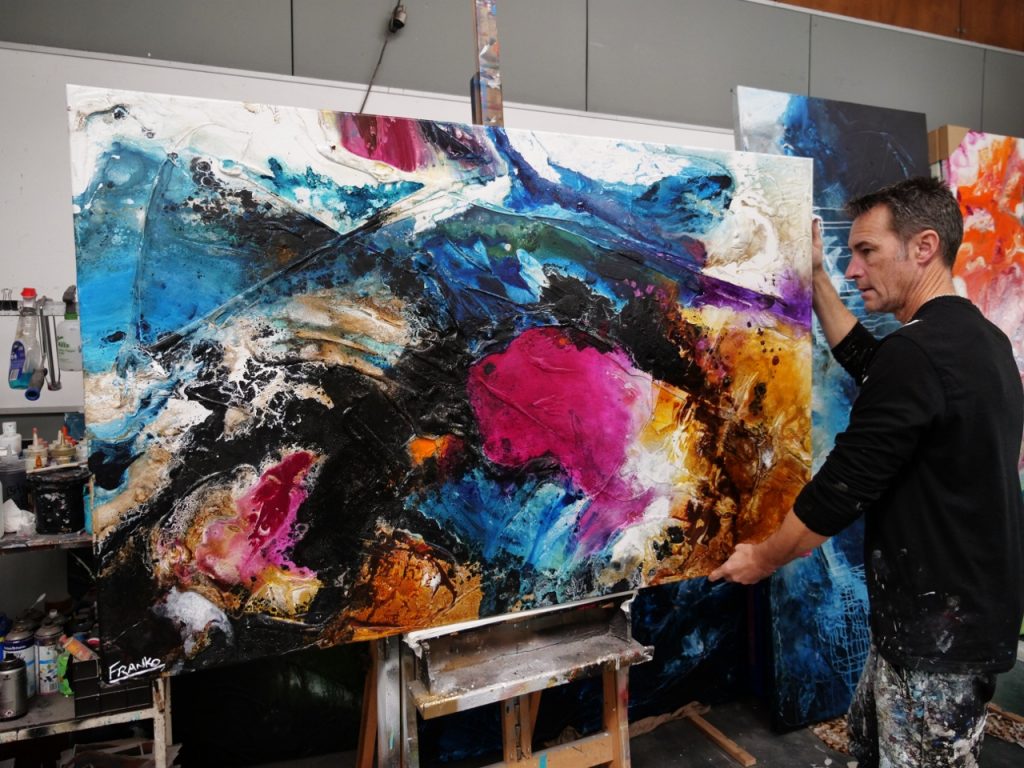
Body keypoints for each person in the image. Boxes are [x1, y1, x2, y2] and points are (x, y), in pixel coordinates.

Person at [709, 177, 1024, 767]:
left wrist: (763, 558)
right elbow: (872, 364)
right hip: (952, 619)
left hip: (936, 637)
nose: (853, 269)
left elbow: (839, 491)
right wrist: (816, 279)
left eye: (867, 251)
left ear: (924, 247)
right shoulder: (979, 341)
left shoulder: (919, 353)